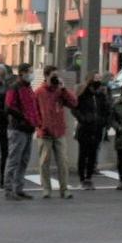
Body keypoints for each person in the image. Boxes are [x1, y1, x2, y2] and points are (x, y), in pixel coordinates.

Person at [33, 66, 77, 199]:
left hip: (59, 131)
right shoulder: (39, 92)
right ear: (46, 76)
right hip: (45, 132)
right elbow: (35, 111)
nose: (55, 78)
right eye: (53, 76)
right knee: (44, 162)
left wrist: (64, 89)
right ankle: (46, 189)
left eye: (57, 76)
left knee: (63, 161)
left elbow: (74, 103)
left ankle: (64, 189)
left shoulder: (60, 91)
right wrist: (40, 125)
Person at [1, 70, 38, 201]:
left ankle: (19, 188)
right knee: (14, 160)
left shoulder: (28, 88)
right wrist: (24, 118)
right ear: (22, 74)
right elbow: (9, 107)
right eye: (29, 72)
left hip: (28, 129)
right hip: (17, 129)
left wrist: (34, 121)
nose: (31, 75)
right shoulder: (14, 88)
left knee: (23, 160)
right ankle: (9, 190)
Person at [74, 73, 110, 189]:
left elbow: (106, 109)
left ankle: (89, 178)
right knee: (83, 154)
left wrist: (103, 121)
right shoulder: (83, 94)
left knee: (93, 154)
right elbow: (75, 108)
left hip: (97, 128)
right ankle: (82, 178)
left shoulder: (101, 95)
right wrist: (83, 119)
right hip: (84, 128)